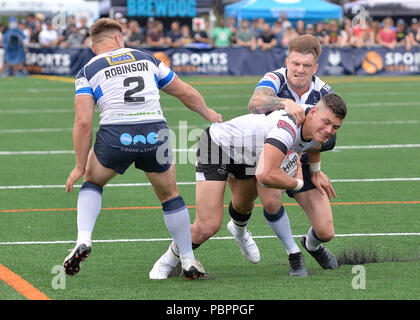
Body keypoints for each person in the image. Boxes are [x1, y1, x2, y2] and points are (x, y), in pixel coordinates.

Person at [62, 18, 222, 279]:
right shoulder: (147, 59)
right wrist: (208, 112)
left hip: (116, 135)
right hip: (154, 133)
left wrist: (80, 165)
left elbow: (83, 121)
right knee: (170, 195)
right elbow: (184, 92)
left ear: (94, 47)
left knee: (93, 182)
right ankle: (189, 258)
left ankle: (84, 239)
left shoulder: (87, 70)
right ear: (118, 39)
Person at [149, 92, 346, 279]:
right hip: (218, 148)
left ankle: (240, 232)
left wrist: (316, 170)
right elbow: (265, 174)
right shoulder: (287, 128)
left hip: (249, 156)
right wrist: (297, 183)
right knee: (208, 226)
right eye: (326, 122)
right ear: (312, 112)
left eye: (335, 127)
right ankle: (167, 261)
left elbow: (313, 143)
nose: (329, 130)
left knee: (244, 206)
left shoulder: (314, 124)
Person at [239, 34, 340, 275]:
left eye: (306, 65)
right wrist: (285, 103)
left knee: (326, 232)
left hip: (303, 158)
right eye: (295, 64)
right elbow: (254, 104)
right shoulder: (274, 78)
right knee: (271, 201)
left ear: (315, 67)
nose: (300, 70)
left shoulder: (324, 92)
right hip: (272, 153)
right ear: (287, 61)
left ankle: (311, 244)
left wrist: (315, 171)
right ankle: (293, 253)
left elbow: (326, 137)